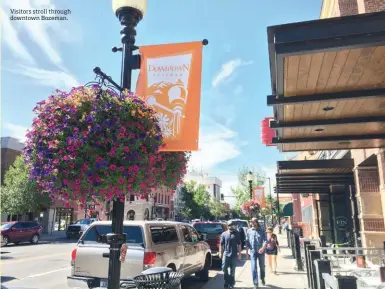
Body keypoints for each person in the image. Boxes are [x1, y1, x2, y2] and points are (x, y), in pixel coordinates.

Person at [219, 220, 242, 289]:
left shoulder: (237, 233)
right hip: (226, 254)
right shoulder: (224, 234)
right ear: (227, 226)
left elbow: (239, 244)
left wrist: (240, 254)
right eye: (229, 225)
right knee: (224, 268)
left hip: (234, 255)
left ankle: (231, 283)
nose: (231, 226)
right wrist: (220, 252)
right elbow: (221, 244)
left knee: (233, 270)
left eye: (232, 225)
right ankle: (227, 280)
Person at [246, 217, 267, 289]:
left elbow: (265, 240)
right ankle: (255, 283)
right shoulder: (249, 231)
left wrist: (263, 248)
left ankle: (262, 278)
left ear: (257, 222)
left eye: (253, 222)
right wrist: (247, 253)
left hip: (261, 251)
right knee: (253, 268)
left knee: (262, 267)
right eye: (251, 222)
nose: (252, 223)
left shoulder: (262, 230)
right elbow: (247, 242)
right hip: (252, 252)